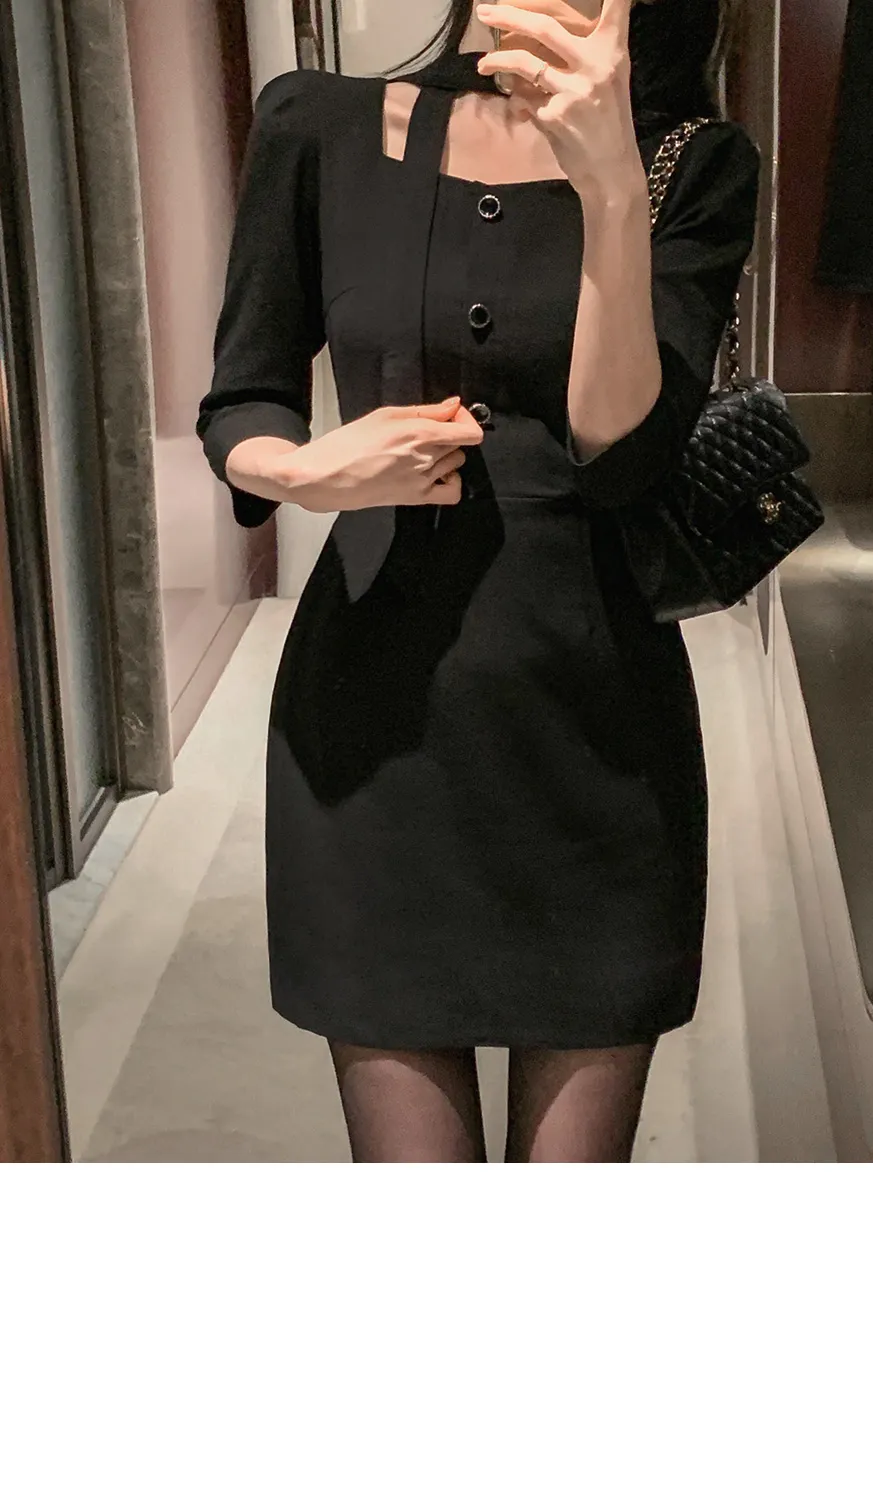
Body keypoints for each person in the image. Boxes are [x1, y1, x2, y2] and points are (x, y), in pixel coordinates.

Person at [196, 0, 759, 1162]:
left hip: (596, 737)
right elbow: (244, 394)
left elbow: (621, 451)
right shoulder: (319, 125)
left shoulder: (691, 163)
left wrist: (610, 185)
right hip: (372, 738)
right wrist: (306, 470)